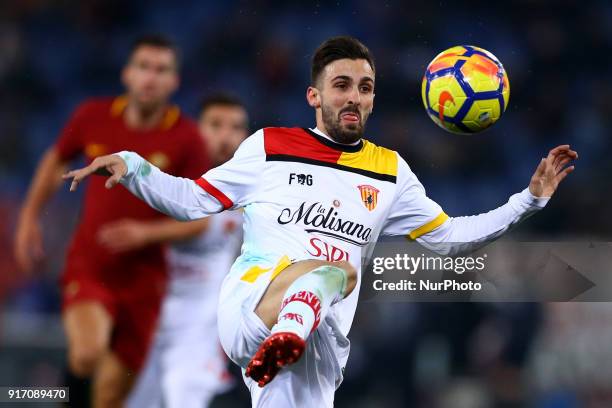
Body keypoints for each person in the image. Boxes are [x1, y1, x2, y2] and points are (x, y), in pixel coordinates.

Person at [63, 36, 578, 407]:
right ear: (315, 96)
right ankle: (289, 326)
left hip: (322, 344)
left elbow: (450, 239)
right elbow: (193, 200)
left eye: (365, 87)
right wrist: (131, 165)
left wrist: (528, 201)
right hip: (253, 308)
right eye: (341, 85)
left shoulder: (390, 173)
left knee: (326, 301)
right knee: (338, 268)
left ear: (374, 98)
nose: (354, 96)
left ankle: (295, 333)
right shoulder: (268, 148)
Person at [14, 35, 210, 407]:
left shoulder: (186, 138)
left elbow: (200, 218)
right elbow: (56, 159)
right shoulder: (93, 116)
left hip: (145, 281)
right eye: (143, 67)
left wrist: (146, 232)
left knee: (108, 397)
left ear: (174, 82)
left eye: (161, 70)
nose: (150, 77)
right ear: (127, 74)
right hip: (92, 265)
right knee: (87, 352)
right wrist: (29, 217)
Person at [127, 94, 249, 408]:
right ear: (196, 131)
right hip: (148, 316)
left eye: (235, 127)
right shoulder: (163, 177)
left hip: (201, 328)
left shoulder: (254, 191)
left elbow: (208, 223)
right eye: (216, 125)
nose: (226, 136)